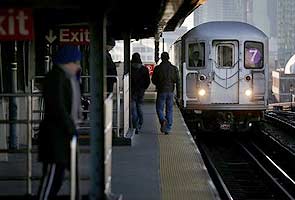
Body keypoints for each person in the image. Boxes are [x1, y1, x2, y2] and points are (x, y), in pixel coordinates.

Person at [37, 45, 82, 199]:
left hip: (61, 136)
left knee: (57, 176)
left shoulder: (65, 77)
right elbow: (58, 107)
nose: (78, 66)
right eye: (76, 62)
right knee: (52, 177)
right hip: (55, 136)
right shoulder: (56, 78)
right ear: (66, 62)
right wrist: (71, 128)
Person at [152, 52, 179, 135]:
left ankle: (163, 120)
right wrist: (179, 94)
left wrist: (158, 84)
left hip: (161, 91)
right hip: (170, 91)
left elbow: (153, 80)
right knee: (169, 109)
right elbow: (177, 80)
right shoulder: (174, 68)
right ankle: (168, 128)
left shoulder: (157, 68)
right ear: (168, 58)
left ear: (161, 58)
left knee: (159, 108)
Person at [130, 53, 150, 134]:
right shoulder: (144, 69)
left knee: (133, 110)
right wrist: (143, 89)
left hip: (132, 92)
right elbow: (148, 82)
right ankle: (140, 122)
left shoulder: (130, 69)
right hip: (141, 92)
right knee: (139, 107)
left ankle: (135, 126)